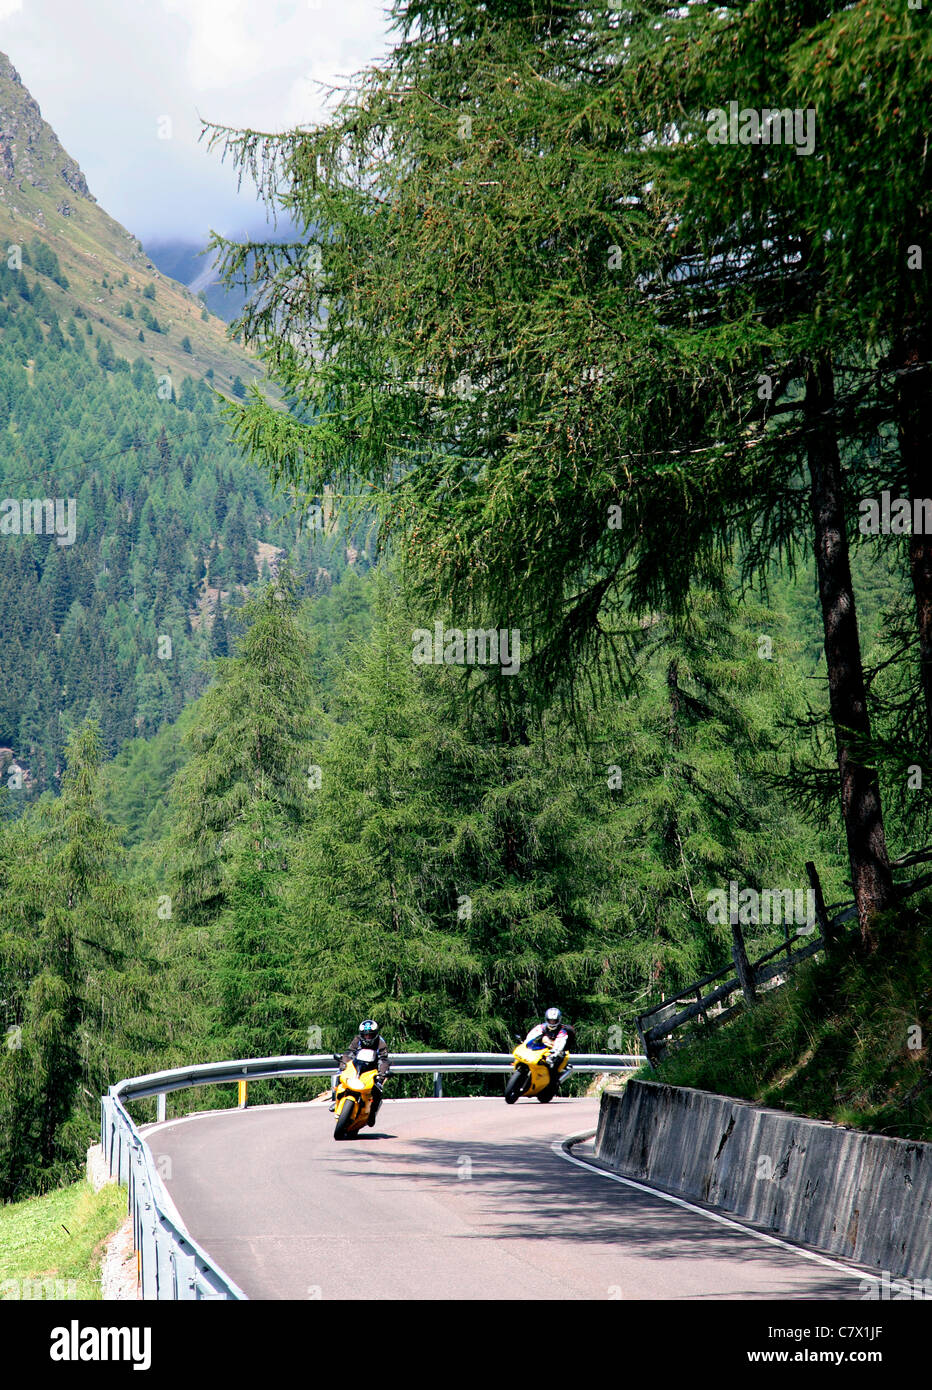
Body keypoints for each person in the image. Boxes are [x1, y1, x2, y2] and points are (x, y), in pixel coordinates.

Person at [331, 1019, 390, 1125]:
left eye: (370, 1035)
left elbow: (383, 1059)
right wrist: (343, 1064)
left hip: (372, 1068)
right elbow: (349, 1052)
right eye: (365, 1035)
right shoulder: (357, 1039)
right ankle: (335, 1101)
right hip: (357, 1065)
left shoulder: (381, 1042)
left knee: (378, 1089)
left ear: (375, 1034)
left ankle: (372, 1113)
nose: (367, 1037)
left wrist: (381, 1074)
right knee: (339, 1076)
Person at [523, 1007, 574, 1084]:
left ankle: (552, 1083)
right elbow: (532, 1034)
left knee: (552, 1066)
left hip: (560, 1051)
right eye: (550, 1020)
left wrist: (555, 1052)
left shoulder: (562, 1030)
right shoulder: (542, 1027)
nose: (552, 1022)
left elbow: (561, 1041)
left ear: (558, 1020)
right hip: (545, 1049)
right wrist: (525, 1043)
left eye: (554, 1021)